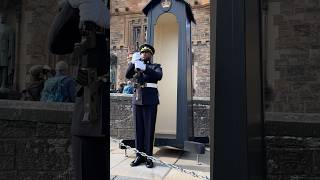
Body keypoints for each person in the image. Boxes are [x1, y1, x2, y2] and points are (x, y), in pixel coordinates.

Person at [125, 44, 162, 168]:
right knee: (138, 130)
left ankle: (148, 157)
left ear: (151, 55)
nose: (144, 54)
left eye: (146, 52)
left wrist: (145, 67)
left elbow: (159, 76)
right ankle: (139, 156)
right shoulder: (136, 66)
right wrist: (132, 62)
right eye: (142, 53)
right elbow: (127, 75)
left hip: (150, 101)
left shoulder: (155, 66)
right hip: (137, 100)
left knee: (149, 130)